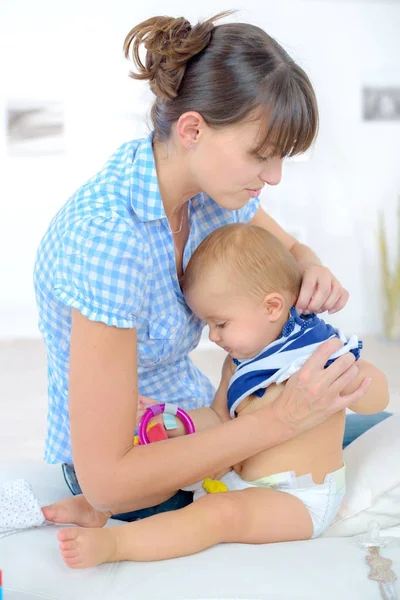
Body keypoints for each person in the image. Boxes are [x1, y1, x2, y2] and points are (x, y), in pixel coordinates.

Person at [36, 12, 389, 525]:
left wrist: (310, 265)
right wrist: (280, 421)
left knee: (382, 430)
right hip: (142, 458)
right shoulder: (108, 240)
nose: (273, 176)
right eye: (261, 155)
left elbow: (290, 248)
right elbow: (109, 480)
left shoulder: (212, 194)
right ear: (193, 129)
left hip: (212, 415)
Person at [52, 224, 389, 568]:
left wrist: (355, 377)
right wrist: (174, 423)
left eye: (221, 323)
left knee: (220, 514)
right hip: (236, 476)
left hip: (295, 498)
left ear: (272, 307)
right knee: (175, 471)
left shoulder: (319, 354)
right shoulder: (240, 362)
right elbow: (218, 418)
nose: (213, 336)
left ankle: (116, 544)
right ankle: (97, 507)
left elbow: (376, 400)